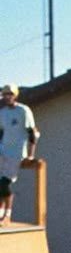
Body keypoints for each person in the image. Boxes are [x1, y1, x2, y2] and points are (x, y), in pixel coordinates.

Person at [0, 83, 39, 226]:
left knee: (5, 183)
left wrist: (31, 154)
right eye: (5, 95)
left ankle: (7, 214)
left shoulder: (23, 110)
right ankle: (0, 213)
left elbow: (32, 132)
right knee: (0, 183)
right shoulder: (2, 112)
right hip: (3, 150)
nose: (7, 97)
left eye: (9, 94)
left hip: (16, 152)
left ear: (15, 95)